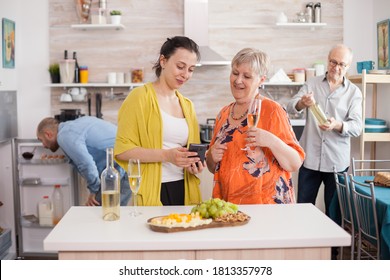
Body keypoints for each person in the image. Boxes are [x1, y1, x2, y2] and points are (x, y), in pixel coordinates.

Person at [206, 48, 305, 205]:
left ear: (261, 80)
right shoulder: (223, 114)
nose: (238, 80)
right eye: (235, 73)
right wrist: (211, 156)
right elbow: (213, 167)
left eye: (247, 76)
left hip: (266, 209)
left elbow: (294, 163)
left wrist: (271, 141)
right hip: (229, 207)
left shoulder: (273, 110)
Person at [114, 36, 205, 206]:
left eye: (191, 69)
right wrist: (167, 155)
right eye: (180, 67)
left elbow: (191, 152)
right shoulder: (139, 97)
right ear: (163, 61)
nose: (185, 75)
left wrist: (194, 164)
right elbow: (122, 150)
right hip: (153, 190)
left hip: (184, 190)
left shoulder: (187, 105)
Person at [286, 44, 363, 217]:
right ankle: (305, 244)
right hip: (310, 159)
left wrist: (337, 125)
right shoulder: (311, 83)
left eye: (342, 64)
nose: (336, 67)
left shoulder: (354, 93)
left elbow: (357, 126)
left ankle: (333, 246)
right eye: (333, 62)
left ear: (348, 66)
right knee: (303, 211)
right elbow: (291, 107)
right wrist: (302, 103)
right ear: (328, 61)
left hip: (337, 163)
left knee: (334, 213)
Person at [36, 116, 131, 206]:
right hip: (123, 165)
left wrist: (94, 190)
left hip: (120, 168)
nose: (43, 145)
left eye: (41, 140)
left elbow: (86, 164)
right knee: (107, 215)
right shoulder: (73, 126)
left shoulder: (64, 135)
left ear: (48, 134)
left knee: (104, 213)